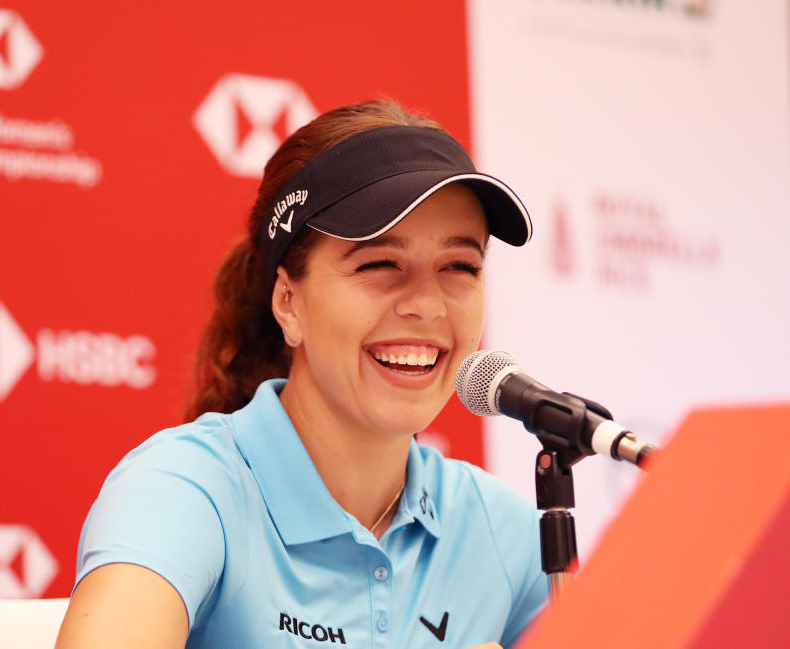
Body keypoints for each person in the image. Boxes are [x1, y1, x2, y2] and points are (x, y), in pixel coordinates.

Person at [55, 100, 548, 649]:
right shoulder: (186, 487)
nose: (428, 306)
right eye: (379, 264)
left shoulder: (504, 530)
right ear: (288, 303)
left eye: (461, 267)